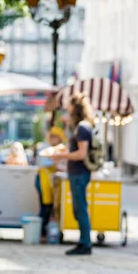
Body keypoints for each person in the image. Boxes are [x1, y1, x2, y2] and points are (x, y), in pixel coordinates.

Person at [51, 93, 95, 255]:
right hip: (76, 172)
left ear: (75, 108)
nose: (67, 109)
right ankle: (84, 241)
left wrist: (61, 155)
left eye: (69, 106)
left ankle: (85, 243)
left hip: (79, 173)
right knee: (78, 209)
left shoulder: (82, 128)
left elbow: (81, 154)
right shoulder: (81, 127)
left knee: (81, 208)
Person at [36, 127, 67, 242]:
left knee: (50, 208)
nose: (58, 141)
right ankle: (41, 233)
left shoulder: (55, 148)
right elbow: (44, 162)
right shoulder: (44, 147)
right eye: (57, 138)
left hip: (51, 181)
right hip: (42, 180)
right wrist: (55, 163)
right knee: (44, 207)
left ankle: (47, 233)